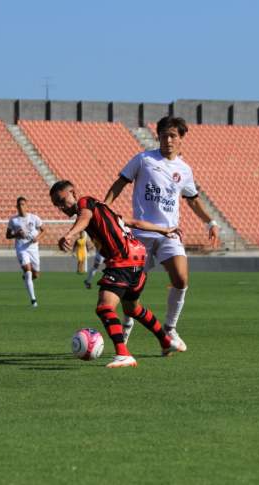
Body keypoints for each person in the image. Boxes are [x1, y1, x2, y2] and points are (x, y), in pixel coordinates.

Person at [50, 180, 186, 368]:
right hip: (138, 259)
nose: (60, 207)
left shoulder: (85, 203)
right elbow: (133, 222)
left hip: (123, 260)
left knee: (104, 308)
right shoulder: (104, 209)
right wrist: (164, 229)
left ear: (73, 192)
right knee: (132, 309)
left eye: (61, 200)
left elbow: (84, 217)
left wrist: (70, 234)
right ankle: (165, 342)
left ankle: (123, 354)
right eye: (56, 204)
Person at [104, 116, 212, 349]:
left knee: (181, 279)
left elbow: (192, 200)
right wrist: (105, 207)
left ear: (182, 138)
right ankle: (127, 323)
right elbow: (120, 183)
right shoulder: (143, 159)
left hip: (168, 234)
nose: (168, 139)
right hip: (140, 234)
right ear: (158, 136)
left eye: (173, 135)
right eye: (164, 135)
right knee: (130, 287)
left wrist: (210, 222)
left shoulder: (184, 170)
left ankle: (170, 329)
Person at [6, 197, 45, 307]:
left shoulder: (34, 218)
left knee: (36, 274)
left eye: (23, 204)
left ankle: (27, 278)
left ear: (27, 206)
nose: (21, 206)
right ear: (16, 207)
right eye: (19, 205)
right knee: (28, 272)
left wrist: (38, 238)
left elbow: (44, 230)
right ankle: (33, 300)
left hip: (33, 248)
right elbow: (7, 235)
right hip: (21, 248)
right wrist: (16, 235)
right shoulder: (13, 220)